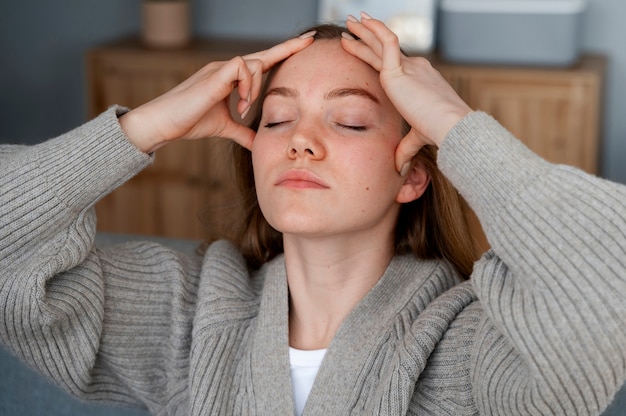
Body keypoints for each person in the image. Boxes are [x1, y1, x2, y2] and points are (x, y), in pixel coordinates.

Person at [0, 12, 624, 416]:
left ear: (411, 175)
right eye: (276, 118)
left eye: (349, 120)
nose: (300, 139)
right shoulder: (184, 318)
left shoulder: (466, 348)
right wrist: (140, 128)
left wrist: (457, 129)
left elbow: (606, 288)